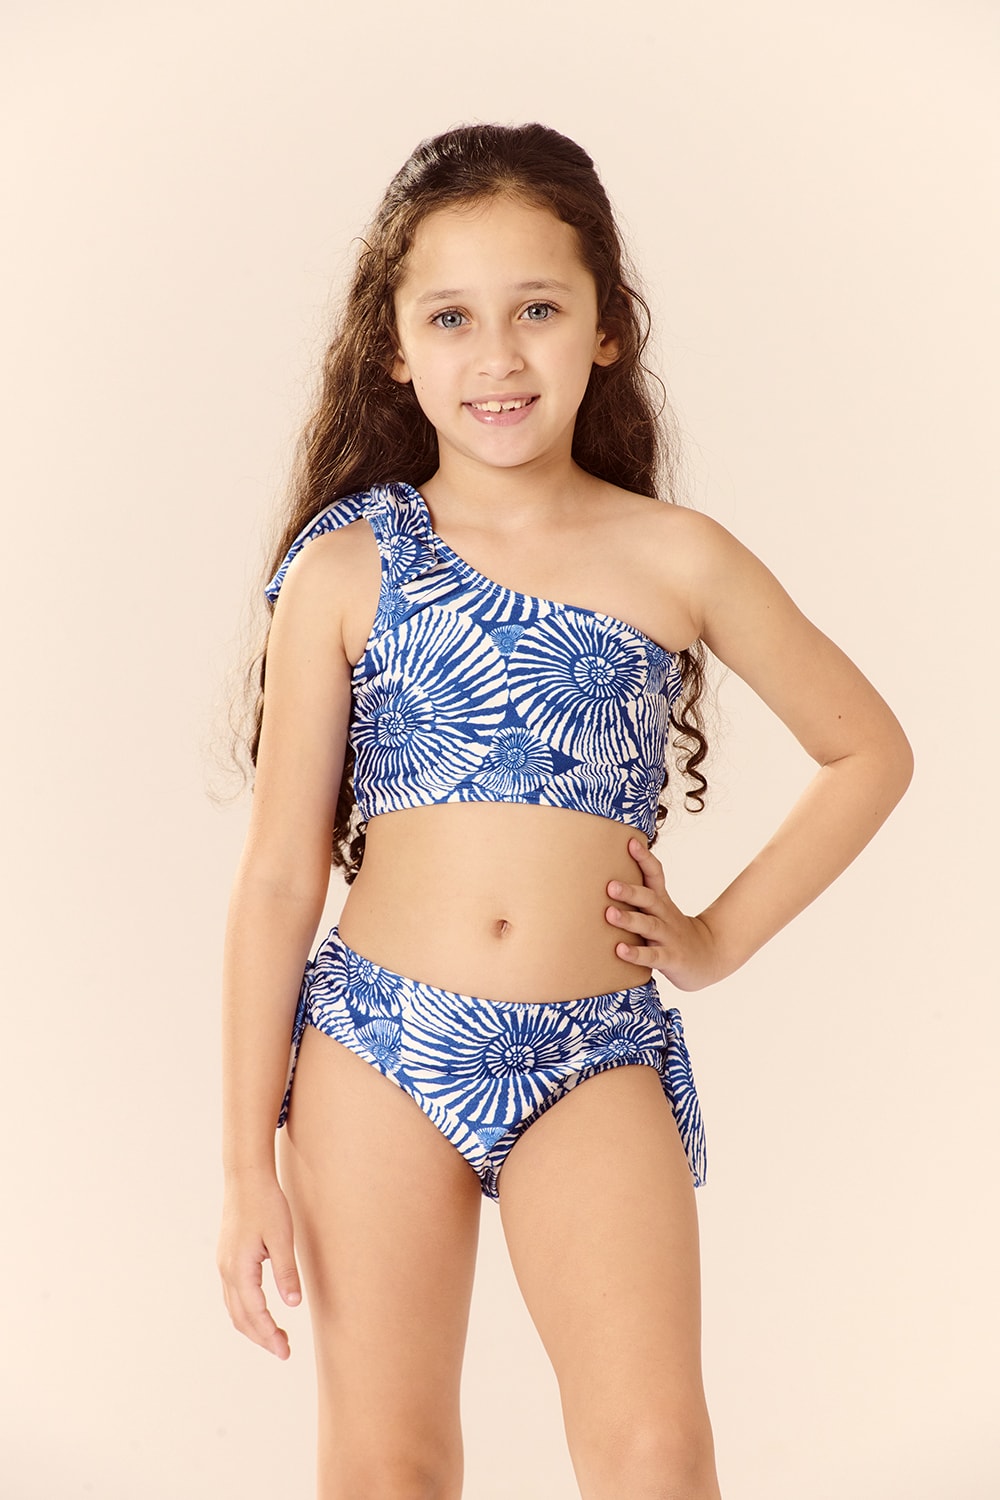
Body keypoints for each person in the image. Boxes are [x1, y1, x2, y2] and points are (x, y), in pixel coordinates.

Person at [217, 122, 913, 1500]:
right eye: (452, 318)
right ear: (394, 349)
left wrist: (713, 940)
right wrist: (245, 1164)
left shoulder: (675, 556)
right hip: (378, 1046)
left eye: (537, 309)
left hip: (593, 1050)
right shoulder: (347, 570)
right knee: (388, 1464)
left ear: (606, 327)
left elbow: (867, 752)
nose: (498, 355)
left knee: (655, 1453)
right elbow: (281, 879)